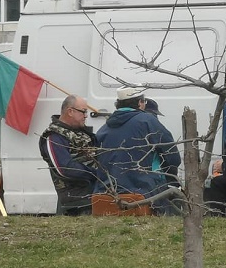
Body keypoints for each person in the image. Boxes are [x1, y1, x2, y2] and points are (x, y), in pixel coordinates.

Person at [95, 87, 181, 215]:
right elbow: (173, 157)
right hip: (145, 191)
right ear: (140, 103)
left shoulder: (103, 129)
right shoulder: (147, 121)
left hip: (105, 191)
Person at [38, 95, 100, 215]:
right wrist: (95, 173)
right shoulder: (53, 137)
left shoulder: (78, 132)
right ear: (70, 111)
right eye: (83, 112)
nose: (86, 116)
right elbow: (64, 168)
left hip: (93, 191)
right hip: (76, 199)